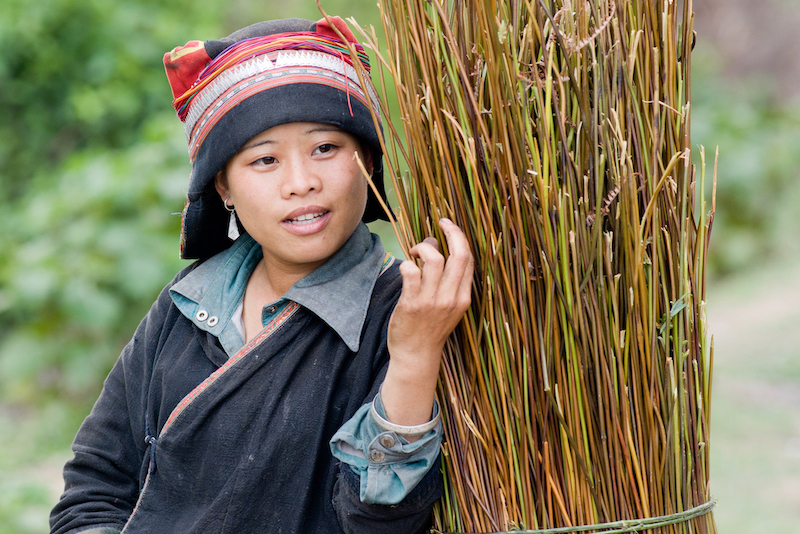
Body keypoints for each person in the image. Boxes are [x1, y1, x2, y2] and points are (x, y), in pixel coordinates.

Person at [49, 14, 473, 534]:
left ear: (366, 158)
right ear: (223, 188)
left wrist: (413, 356)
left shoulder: (405, 312)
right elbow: (93, 490)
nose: (301, 183)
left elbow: (378, 524)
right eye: (265, 160)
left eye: (326, 148)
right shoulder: (185, 305)